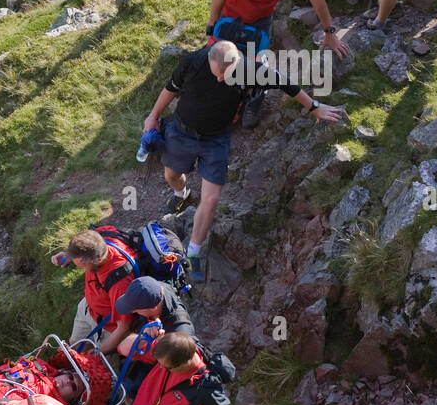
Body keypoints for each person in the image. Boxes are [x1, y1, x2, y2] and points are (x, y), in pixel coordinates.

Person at [142, 41, 342, 281]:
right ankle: (182, 193)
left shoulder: (251, 70)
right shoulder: (193, 61)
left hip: (216, 140)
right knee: (171, 175)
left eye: (224, 76)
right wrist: (152, 117)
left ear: (237, 64)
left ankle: (193, 252)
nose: (219, 80)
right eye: (216, 74)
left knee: (212, 198)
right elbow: (171, 88)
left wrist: (315, 107)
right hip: (182, 130)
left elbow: (286, 83)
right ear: (209, 61)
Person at [208, 0, 350, 128]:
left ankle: (252, 97)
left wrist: (330, 32)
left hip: (262, 18)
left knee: (256, 65)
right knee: (224, 65)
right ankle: (224, 106)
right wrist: (211, 27)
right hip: (232, 18)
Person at [52, 230, 137, 355]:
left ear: (98, 260)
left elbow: (123, 328)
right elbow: (84, 249)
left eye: (82, 266)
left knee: (98, 367)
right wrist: (69, 256)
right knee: (76, 347)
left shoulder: (120, 283)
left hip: (109, 326)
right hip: (88, 307)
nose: (81, 269)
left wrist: (98, 354)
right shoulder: (100, 238)